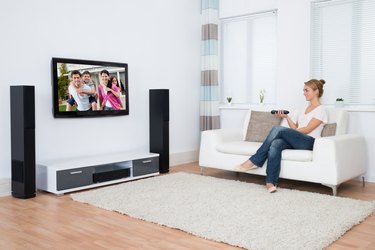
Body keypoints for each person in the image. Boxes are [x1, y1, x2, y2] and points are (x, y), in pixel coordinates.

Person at [237, 79, 328, 193]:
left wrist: (289, 132)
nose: (304, 93)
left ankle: (255, 160)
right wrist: (287, 117)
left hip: (310, 142)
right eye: (303, 90)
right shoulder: (303, 109)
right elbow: (295, 129)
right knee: (276, 143)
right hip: (299, 140)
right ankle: (271, 182)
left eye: (306, 90)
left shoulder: (321, 109)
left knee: (278, 129)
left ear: (316, 92)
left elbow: (307, 129)